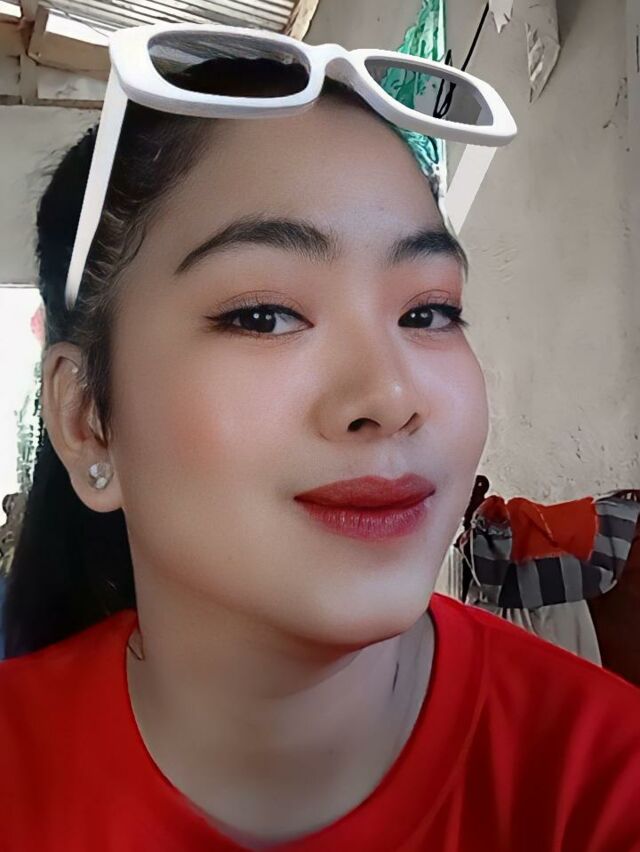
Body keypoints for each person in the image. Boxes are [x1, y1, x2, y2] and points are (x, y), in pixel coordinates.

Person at [1, 35, 640, 852]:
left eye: (428, 311)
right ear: (89, 417)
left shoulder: (597, 786)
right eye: (264, 315)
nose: (390, 398)